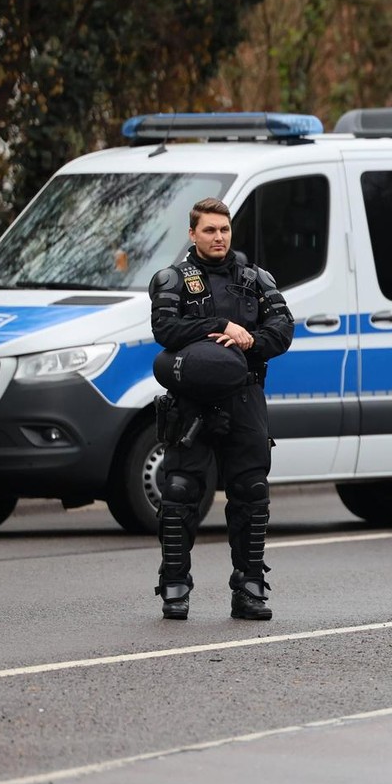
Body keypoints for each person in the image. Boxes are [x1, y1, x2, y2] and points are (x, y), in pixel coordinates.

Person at [148, 197, 294, 620]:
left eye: (224, 229)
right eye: (209, 230)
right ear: (192, 234)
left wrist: (248, 341)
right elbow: (165, 329)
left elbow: (283, 328)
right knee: (180, 492)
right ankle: (174, 585)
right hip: (191, 401)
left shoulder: (255, 278)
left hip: (244, 396)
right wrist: (218, 326)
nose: (218, 237)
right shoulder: (172, 278)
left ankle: (249, 588)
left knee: (251, 492)